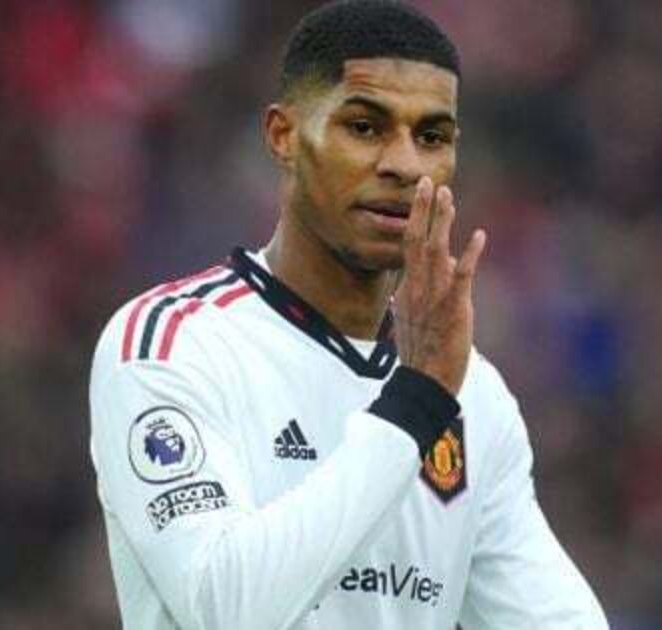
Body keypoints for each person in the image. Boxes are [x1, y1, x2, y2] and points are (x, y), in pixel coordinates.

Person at [88, 1, 608, 628]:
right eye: (364, 127)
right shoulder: (173, 344)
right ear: (283, 137)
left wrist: (426, 392)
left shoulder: (471, 393)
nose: (403, 165)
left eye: (431, 137)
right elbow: (222, 609)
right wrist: (414, 403)